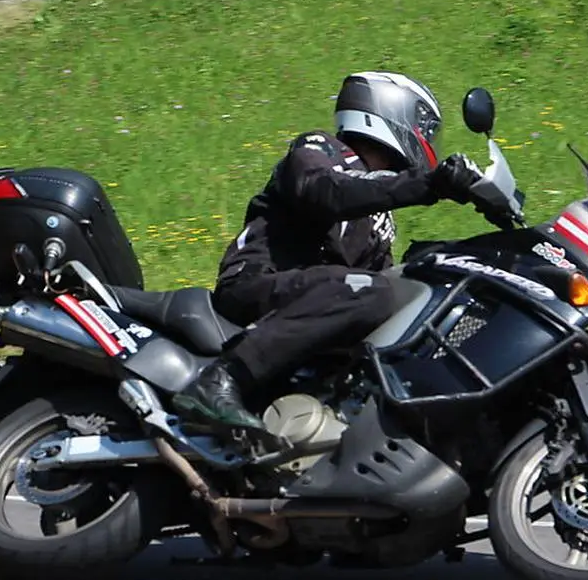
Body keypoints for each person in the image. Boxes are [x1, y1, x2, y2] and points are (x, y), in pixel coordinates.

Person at [172, 71, 510, 449]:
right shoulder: (323, 150)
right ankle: (222, 379)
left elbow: (386, 282)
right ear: (393, 112)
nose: (428, 140)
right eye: (426, 127)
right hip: (257, 280)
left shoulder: (379, 217)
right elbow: (326, 192)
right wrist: (431, 184)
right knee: (372, 293)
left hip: (317, 300)